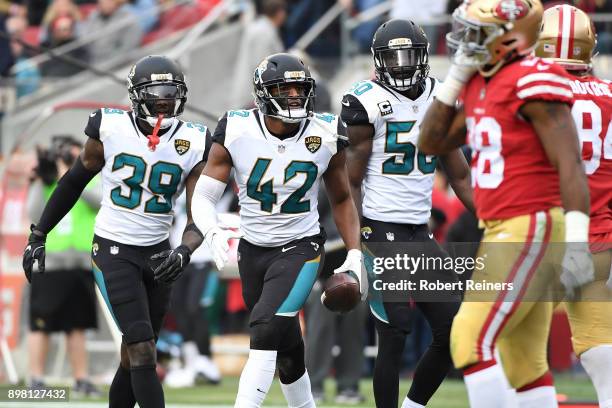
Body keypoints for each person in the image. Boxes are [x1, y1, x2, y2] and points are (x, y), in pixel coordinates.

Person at [417, 1, 593, 407]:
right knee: (523, 360)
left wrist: (579, 243)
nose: (464, 40)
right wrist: (456, 77)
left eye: (476, 32)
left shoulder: (533, 79)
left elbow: (570, 164)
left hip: (530, 223)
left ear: (510, 36)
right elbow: (429, 143)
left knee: (469, 340)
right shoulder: (483, 81)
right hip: (505, 226)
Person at [22, 55, 211, 408]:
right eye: (155, 94)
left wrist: (184, 249)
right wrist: (39, 234)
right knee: (142, 349)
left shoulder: (195, 140)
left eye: (171, 93)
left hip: (159, 252)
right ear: (137, 95)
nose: (164, 101)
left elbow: (201, 211)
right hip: (113, 249)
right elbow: (73, 181)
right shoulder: (110, 127)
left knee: (134, 353)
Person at [191, 52, 362, 408]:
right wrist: (211, 230)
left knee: (265, 329)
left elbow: (343, 198)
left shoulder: (326, 131)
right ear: (264, 93)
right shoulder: (236, 128)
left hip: (301, 246)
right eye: (285, 88)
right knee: (286, 347)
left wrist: (355, 253)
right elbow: (204, 195)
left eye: (300, 88)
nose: (295, 96)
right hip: (253, 250)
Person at [341, 19, 473, 408]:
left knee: (454, 332)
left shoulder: (440, 96)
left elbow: (460, 173)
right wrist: (357, 244)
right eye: (392, 57)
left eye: (409, 55)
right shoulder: (365, 100)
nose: (401, 65)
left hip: (420, 232)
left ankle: (413, 406)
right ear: (378, 61)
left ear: (424, 57)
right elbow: (349, 183)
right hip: (380, 230)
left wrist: (495, 219)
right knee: (395, 333)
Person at [536, 5, 612, 407]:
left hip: (542, 237)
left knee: (495, 346)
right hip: (599, 238)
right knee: (600, 346)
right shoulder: (611, 95)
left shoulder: (534, 91)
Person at [27, 136, 100, 396]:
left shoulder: (90, 174)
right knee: (40, 324)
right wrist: (41, 178)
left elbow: (99, 202)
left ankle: (81, 378)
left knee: (77, 325)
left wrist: (71, 176)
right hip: (49, 263)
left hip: (79, 262)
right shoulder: (44, 181)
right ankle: (35, 378)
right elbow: (33, 213)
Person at [304, 187, 366, 405]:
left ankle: (349, 387)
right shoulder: (325, 180)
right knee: (319, 330)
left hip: (355, 267)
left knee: (354, 329)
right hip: (323, 267)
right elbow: (308, 218)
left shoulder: (367, 182)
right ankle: (314, 387)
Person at [231, 0, 286, 108]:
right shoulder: (262, 32)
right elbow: (262, 66)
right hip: (253, 97)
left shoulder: (263, 28)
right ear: (280, 13)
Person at [83, 0, 143, 65]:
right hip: (95, 64)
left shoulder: (127, 19)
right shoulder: (93, 16)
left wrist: (109, 62)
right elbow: (86, 41)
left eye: (109, 1)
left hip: (123, 64)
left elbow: (128, 48)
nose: (105, 3)